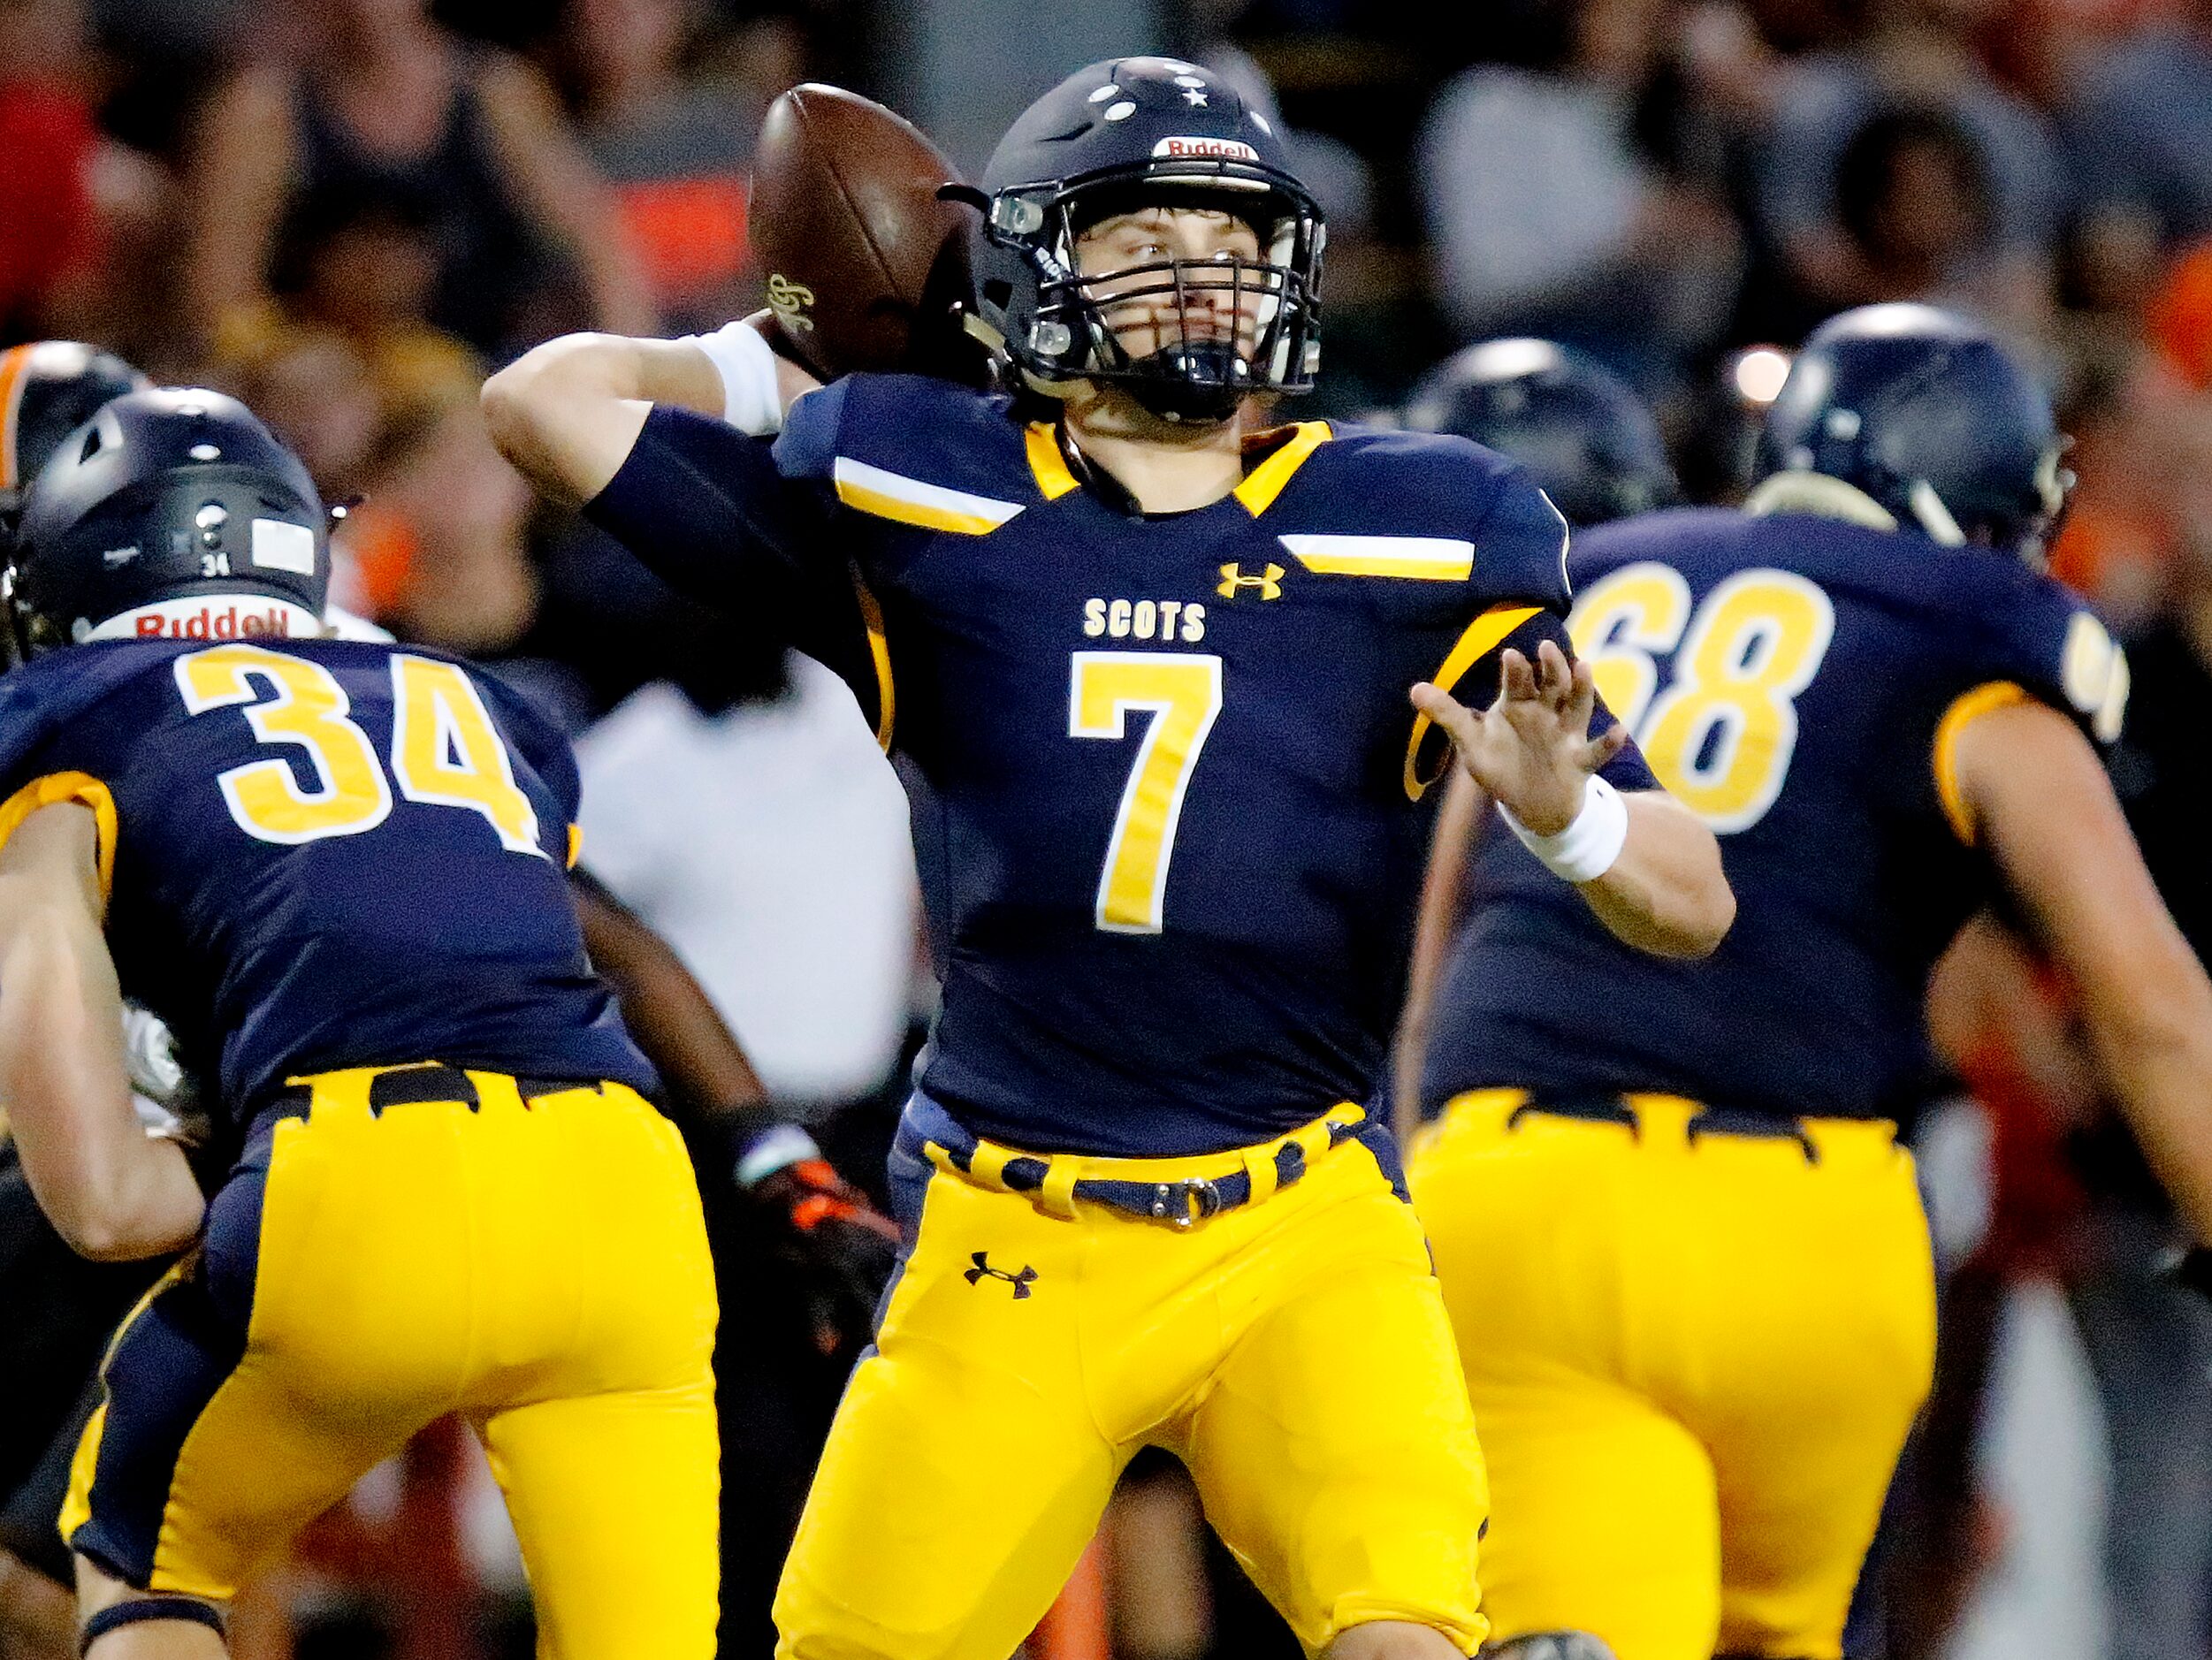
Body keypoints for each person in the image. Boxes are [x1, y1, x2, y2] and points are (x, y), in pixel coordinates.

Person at [484, 54, 1734, 1660]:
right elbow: (540, 405)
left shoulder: (1424, 522)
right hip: (1016, 1233)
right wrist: (784, 350)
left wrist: (1566, 816)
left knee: (1402, 1630)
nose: (1204, 277)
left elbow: (1691, 897)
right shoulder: (915, 481)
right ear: (1034, 267)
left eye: (1233, 238)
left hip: (1302, 1224)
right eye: (1150, 238)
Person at [1398, 303, 2212, 1660]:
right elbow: (2149, 1001)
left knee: (1573, 1619)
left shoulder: (1580, 581)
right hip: (1809, 1220)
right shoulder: (1968, 640)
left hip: (1522, 1190)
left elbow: (1437, 962)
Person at [0, 387, 719, 1658]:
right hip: (625, 1195)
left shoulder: (70, 714)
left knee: (134, 1553)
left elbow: (104, 1205)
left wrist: (233, 1156)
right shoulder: (473, 699)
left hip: (361, 1177)